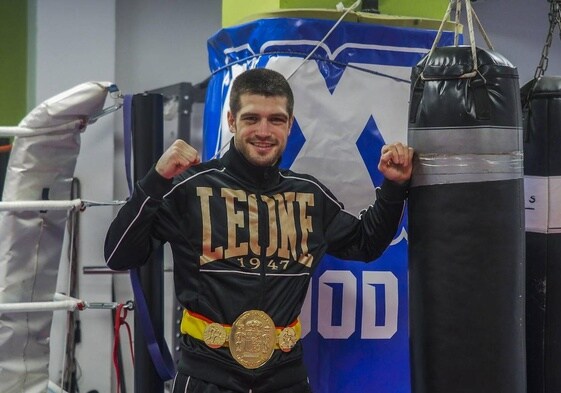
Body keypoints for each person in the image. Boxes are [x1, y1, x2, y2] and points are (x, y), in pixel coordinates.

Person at [104, 67, 414, 393]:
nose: (264, 131)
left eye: (276, 120)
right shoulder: (190, 188)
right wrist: (156, 179)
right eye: (252, 118)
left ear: (290, 125)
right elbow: (119, 254)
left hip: (286, 378)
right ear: (231, 121)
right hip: (207, 377)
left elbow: (366, 244)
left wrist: (394, 187)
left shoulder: (308, 195)